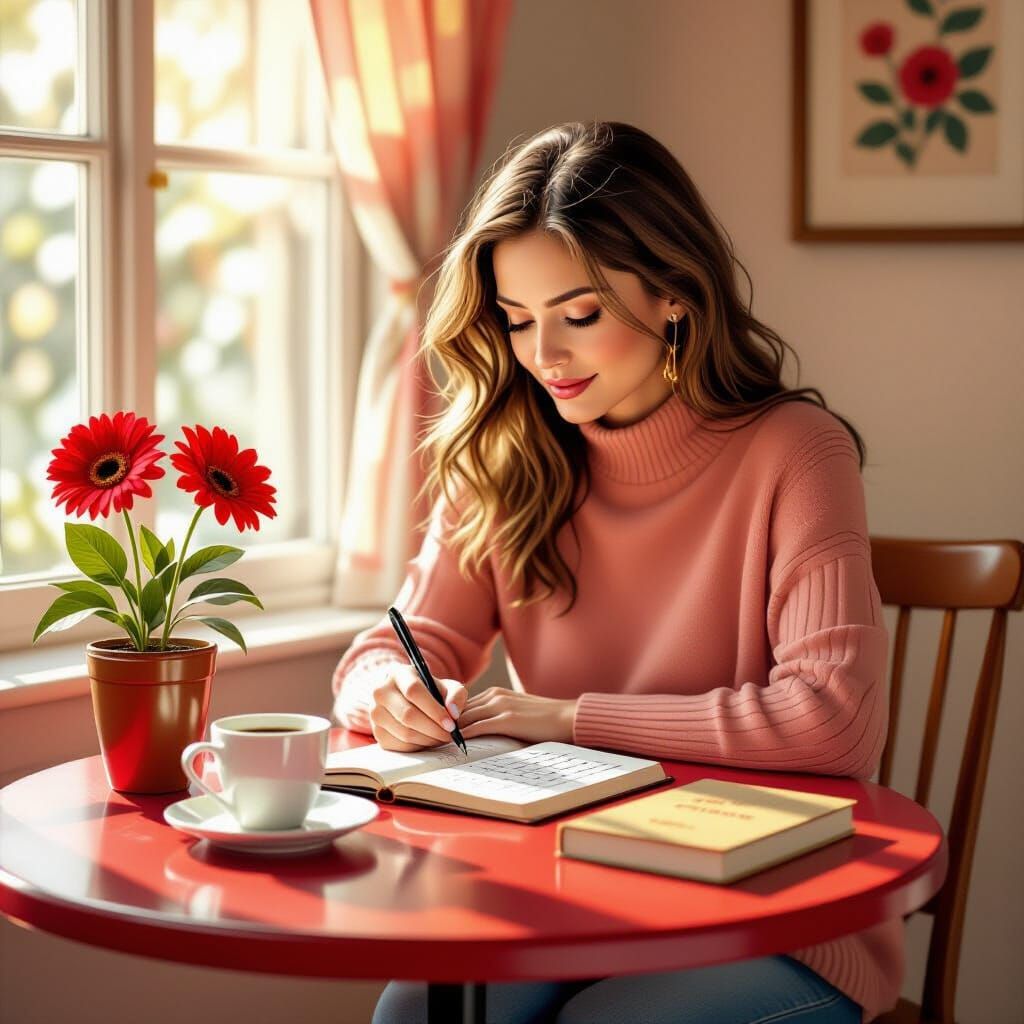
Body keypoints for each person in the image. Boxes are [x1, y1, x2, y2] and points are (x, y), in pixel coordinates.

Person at [331, 121, 899, 1024]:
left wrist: (567, 719)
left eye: (579, 315)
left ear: (673, 292)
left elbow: (832, 724)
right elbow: (389, 646)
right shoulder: (505, 454)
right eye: (516, 321)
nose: (543, 356)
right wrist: (393, 687)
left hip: (777, 914)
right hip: (571, 890)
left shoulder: (795, 452)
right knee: (415, 1015)